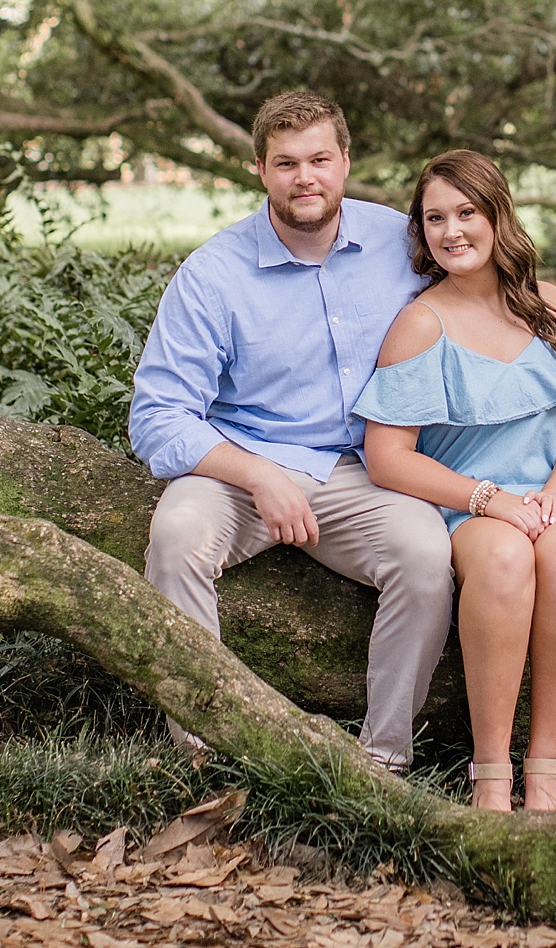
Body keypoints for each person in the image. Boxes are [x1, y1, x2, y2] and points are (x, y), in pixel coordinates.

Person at [128, 91, 455, 773]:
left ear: (344, 162)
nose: (304, 177)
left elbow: (499, 289)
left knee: (426, 558)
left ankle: (383, 761)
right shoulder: (214, 274)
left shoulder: (403, 243)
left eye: (318, 159)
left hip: (368, 470)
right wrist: (257, 474)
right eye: (285, 163)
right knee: (177, 534)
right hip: (245, 465)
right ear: (260, 170)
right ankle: (202, 750)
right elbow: (157, 416)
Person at [353, 150, 556, 813]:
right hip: (465, 503)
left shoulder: (549, 307)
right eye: (435, 217)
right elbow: (386, 456)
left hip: (554, 491)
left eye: (467, 212)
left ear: (499, 214)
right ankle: (492, 773)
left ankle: (546, 768)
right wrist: (487, 499)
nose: (452, 230)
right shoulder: (421, 324)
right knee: (503, 558)